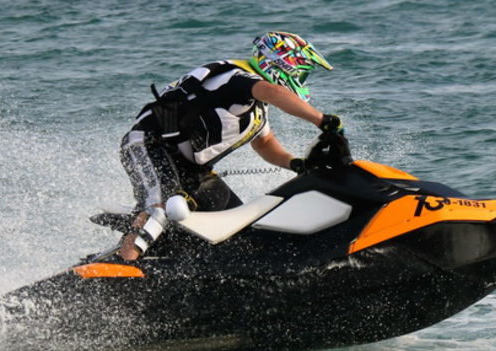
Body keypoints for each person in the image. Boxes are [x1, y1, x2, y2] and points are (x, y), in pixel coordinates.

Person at [117, 31, 343, 261]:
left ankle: (211, 271)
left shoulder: (256, 107)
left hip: (192, 170)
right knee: (160, 206)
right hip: (148, 144)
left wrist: (297, 164)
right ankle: (124, 264)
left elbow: (265, 144)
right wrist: (321, 120)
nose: (302, 80)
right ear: (282, 63)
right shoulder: (236, 77)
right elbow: (274, 92)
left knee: (236, 229)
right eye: (301, 73)